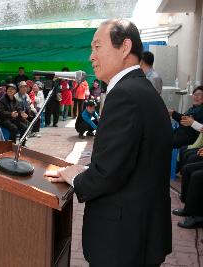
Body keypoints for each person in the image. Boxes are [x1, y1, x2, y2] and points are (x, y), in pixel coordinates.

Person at [45, 19, 172, 266]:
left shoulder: (125, 94)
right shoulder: (141, 89)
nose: (91, 56)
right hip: (141, 232)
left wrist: (75, 176)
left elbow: (108, 174)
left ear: (125, 48)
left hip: (122, 241)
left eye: (97, 46)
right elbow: (128, 161)